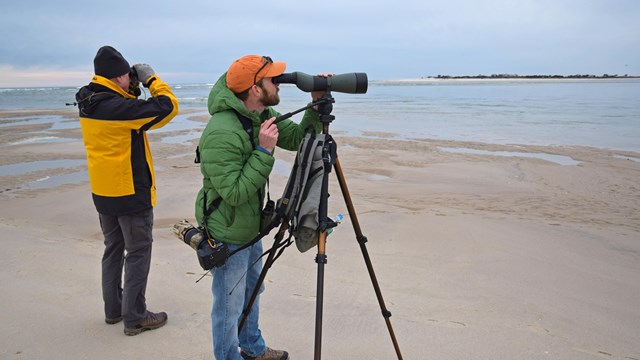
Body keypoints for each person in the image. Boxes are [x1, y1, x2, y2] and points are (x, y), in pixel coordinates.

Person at [195, 55, 326, 360]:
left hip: (251, 225)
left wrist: (316, 105)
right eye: (272, 79)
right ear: (255, 88)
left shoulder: (259, 114)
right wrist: (264, 151)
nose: (278, 83)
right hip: (228, 230)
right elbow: (235, 193)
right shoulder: (221, 132)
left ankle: (252, 347)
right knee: (229, 304)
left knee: (253, 291)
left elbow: (298, 138)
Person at [75, 45, 179, 336]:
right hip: (130, 193)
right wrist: (151, 80)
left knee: (113, 250)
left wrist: (130, 86)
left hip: (104, 192)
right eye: (127, 75)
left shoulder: (91, 100)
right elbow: (168, 106)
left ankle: (114, 310)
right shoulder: (118, 109)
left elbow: (126, 103)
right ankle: (135, 317)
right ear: (119, 76)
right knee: (137, 253)